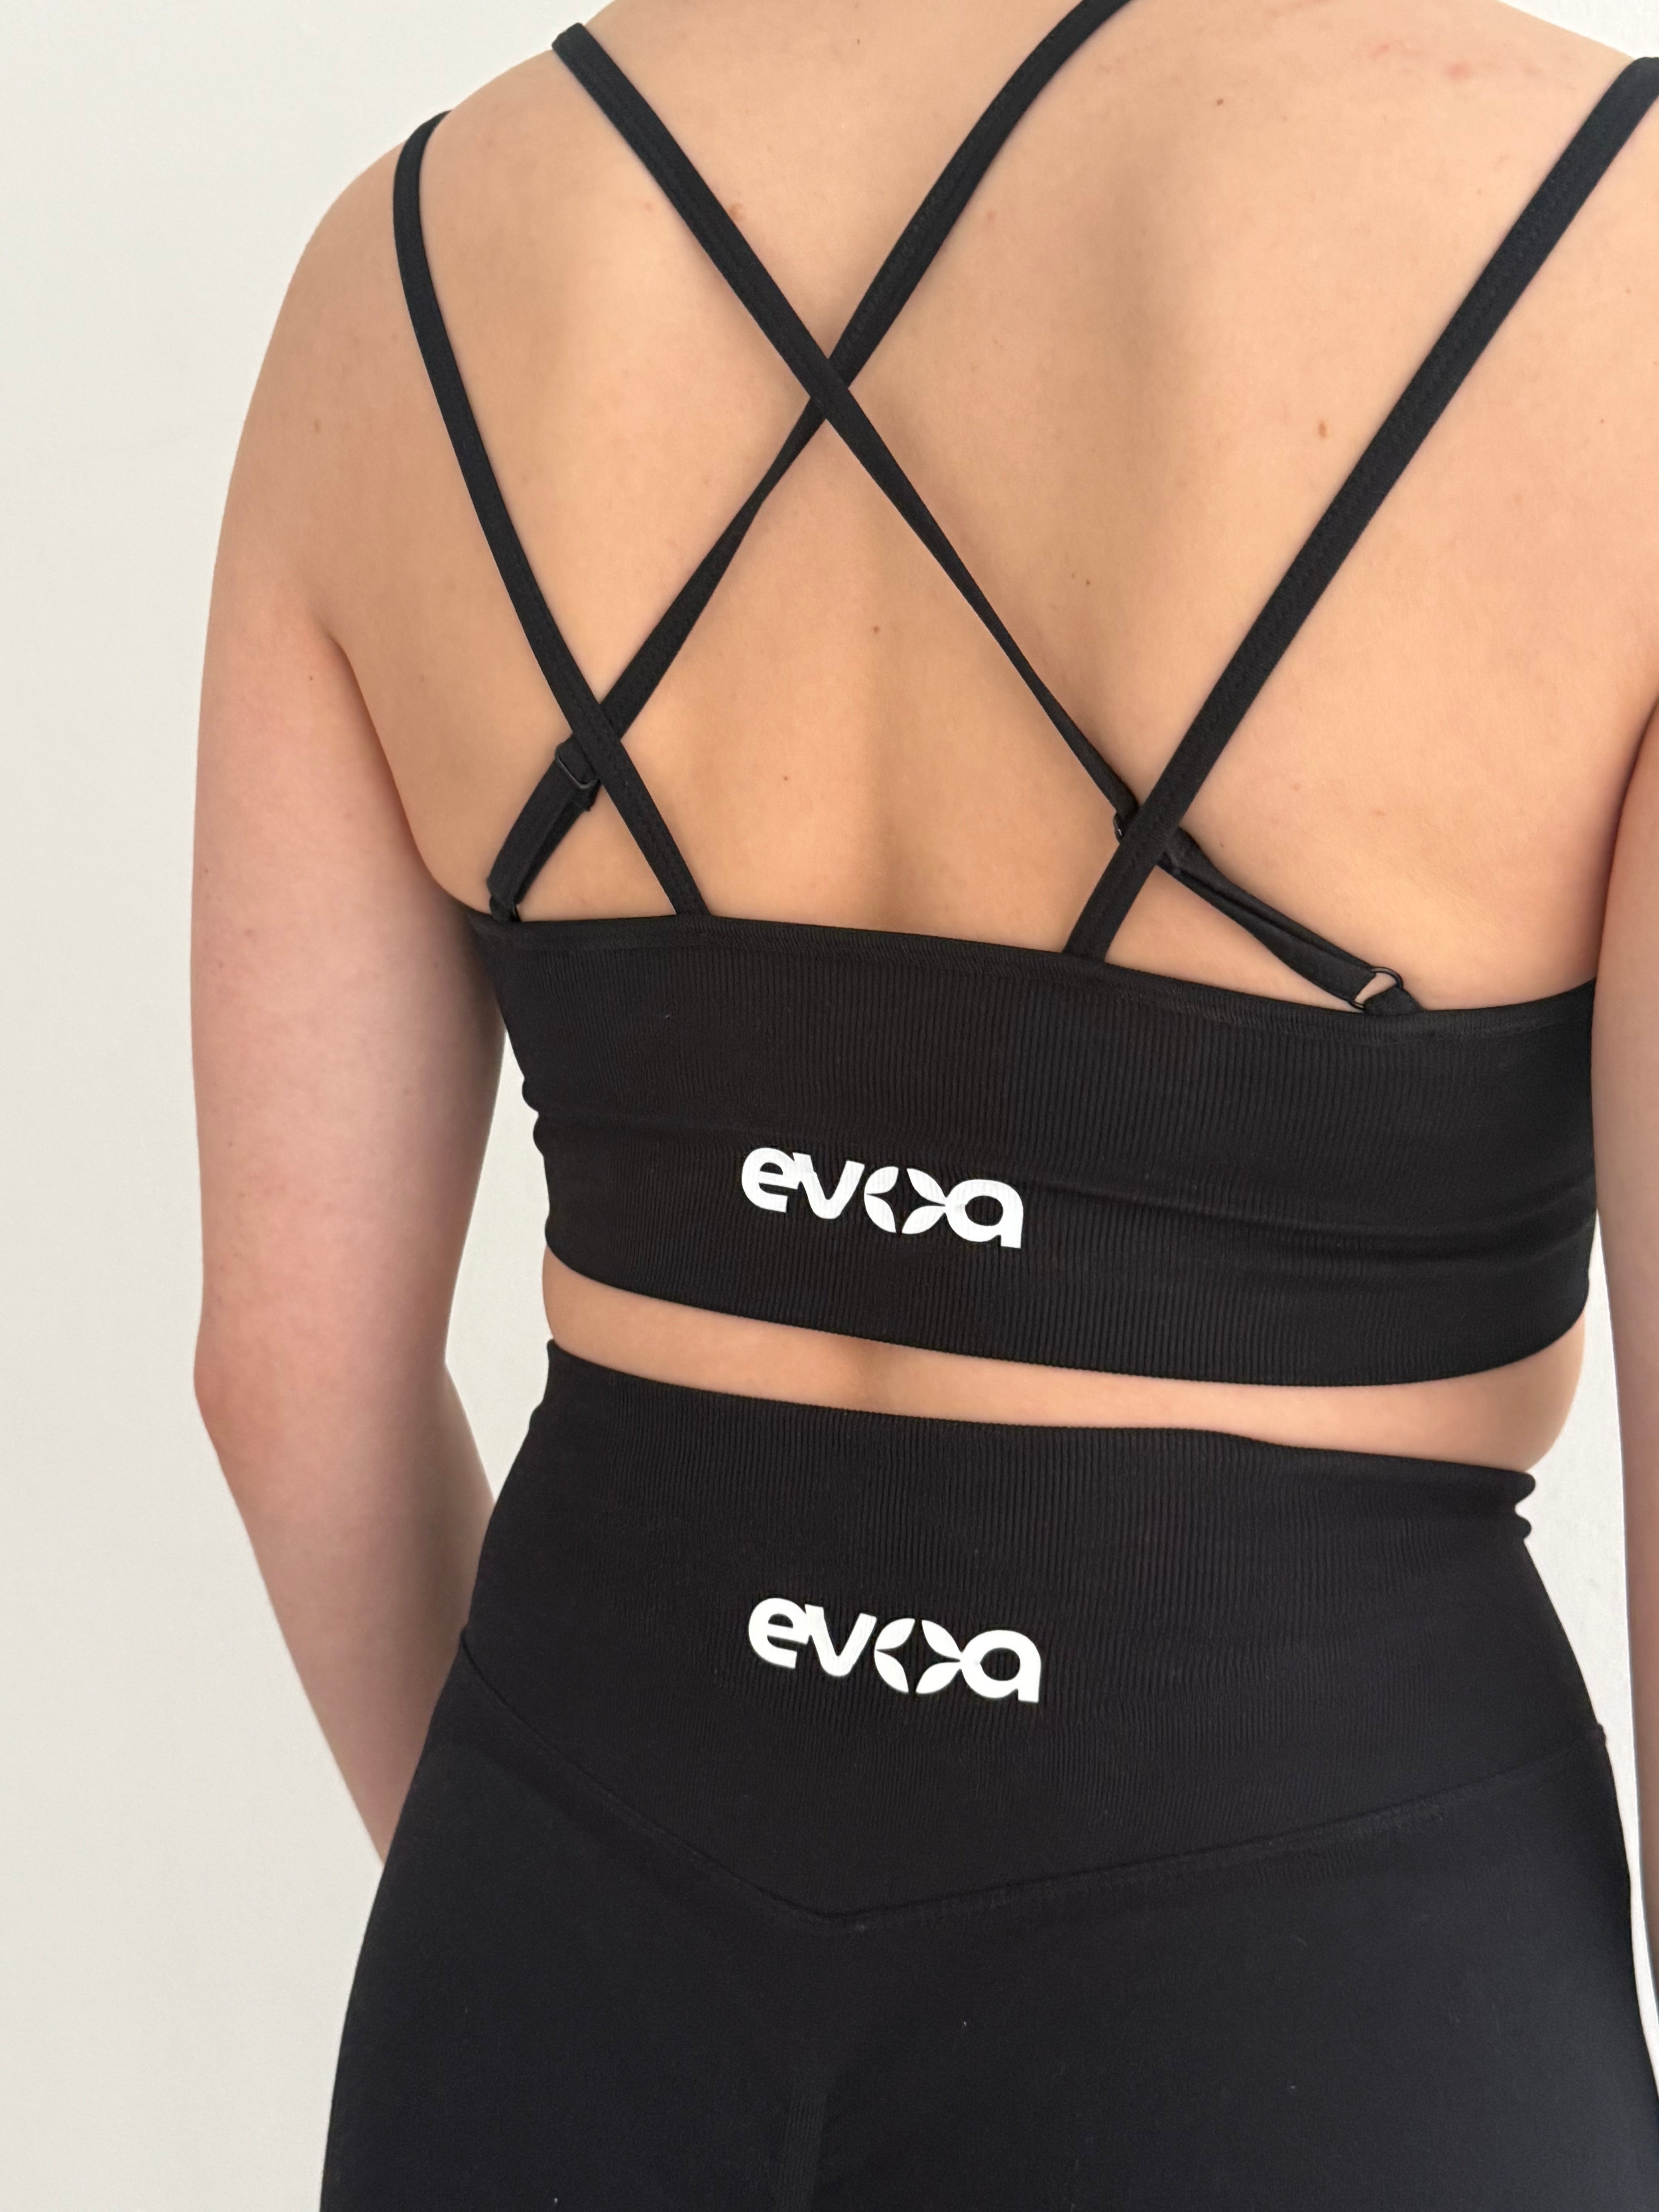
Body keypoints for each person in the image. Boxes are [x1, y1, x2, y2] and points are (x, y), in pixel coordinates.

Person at [192, 0, 1659, 2202]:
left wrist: (573, 1926)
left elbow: (285, 1379)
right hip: (1325, 2015)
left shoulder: (409, 259)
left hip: (551, 1959)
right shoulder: (1617, 249)